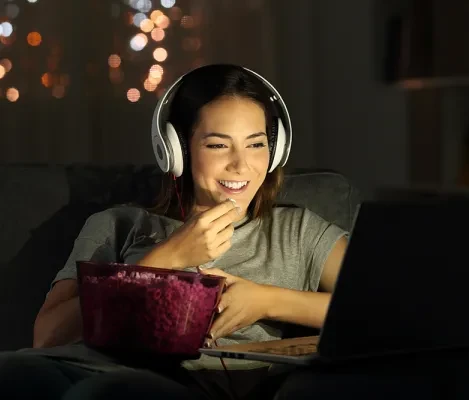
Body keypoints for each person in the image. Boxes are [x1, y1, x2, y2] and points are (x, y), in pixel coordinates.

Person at [0, 64, 348, 400]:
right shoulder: (116, 225)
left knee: (107, 393)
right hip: (78, 365)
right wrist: (166, 258)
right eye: (217, 145)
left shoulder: (298, 232)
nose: (241, 164)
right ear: (176, 149)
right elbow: (47, 338)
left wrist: (266, 301)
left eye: (255, 144)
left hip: (186, 382)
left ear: (276, 150)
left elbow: (383, 312)